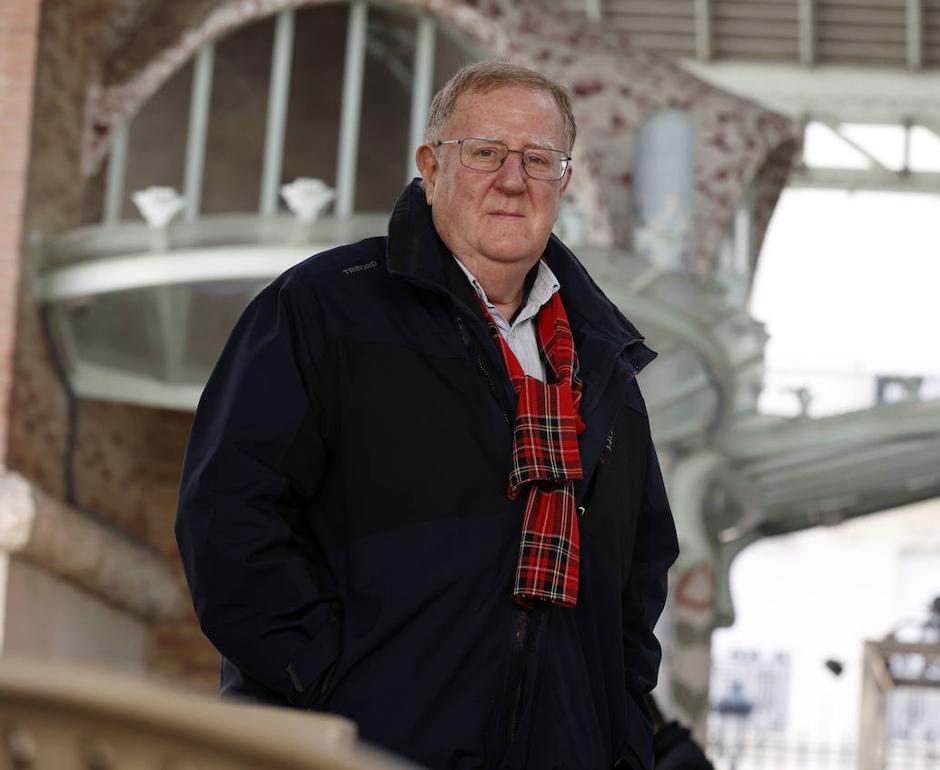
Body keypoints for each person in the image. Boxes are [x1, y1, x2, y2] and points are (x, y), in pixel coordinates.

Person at [175, 61, 679, 770]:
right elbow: (228, 517)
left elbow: (640, 573)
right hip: (356, 753)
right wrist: (328, 689)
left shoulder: (603, 365)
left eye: (539, 160)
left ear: (563, 181)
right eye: (484, 153)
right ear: (430, 165)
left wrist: (617, 738)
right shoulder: (322, 307)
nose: (513, 180)